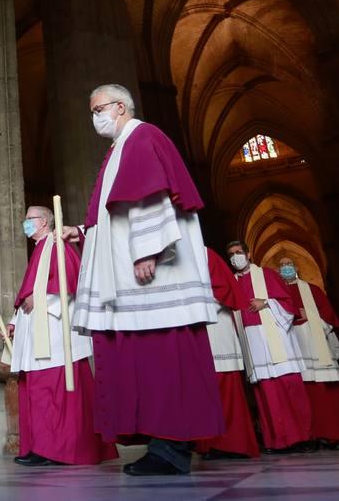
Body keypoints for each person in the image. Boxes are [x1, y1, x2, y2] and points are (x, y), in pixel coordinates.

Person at [60, 84, 223, 476]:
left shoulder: (143, 136)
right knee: (143, 360)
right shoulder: (120, 148)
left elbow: (150, 193)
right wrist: (82, 233)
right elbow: (116, 214)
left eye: (98, 109)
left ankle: (170, 450)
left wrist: (147, 249)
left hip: (150, 271)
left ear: (120, 106)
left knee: (163, 359)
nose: (94, 118)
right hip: (132, 275)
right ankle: (160, 446)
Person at [5, 205, 116, 466]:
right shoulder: (39, 250)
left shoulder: (55, 245)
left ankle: (56, 449)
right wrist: (14, 322)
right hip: (36, 331)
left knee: (53, 390)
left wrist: (41, 300)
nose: (25, 223)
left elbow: (68, 282)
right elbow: (28, 293)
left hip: (55, 332)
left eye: (29, 219)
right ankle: (39, 447)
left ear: (44, 221)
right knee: (36, 391)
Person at [277, 256, 339, 450]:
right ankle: (311, 436)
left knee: (326, 389)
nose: (286, 267)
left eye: (289, 264)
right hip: (294, 343)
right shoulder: (278, 293)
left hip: (314, 339)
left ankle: (335, 435)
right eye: (282, 265)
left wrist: (308, 314)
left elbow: (328, 314)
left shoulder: (312, 290)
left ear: (296, 267)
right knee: (305, 391)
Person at [227, 242, 313, 453]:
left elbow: (288, 302)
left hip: (276, 337)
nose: (235, 257)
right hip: (253, 341)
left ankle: (302, 438)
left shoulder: (266, 274)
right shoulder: (232, 281)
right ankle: (277, 441)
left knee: (289, 387)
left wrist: (265, 302)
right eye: (231, 255)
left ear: (248, 254)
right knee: (267, 393)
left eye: (239, 253)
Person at [195, 247, 260, 460]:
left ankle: (234, 444)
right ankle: (208, 444)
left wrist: (194, 309)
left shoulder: (205, 254)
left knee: (226, 387)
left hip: (216, 327)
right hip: (196, 331)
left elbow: (224, 290)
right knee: (203, 390)